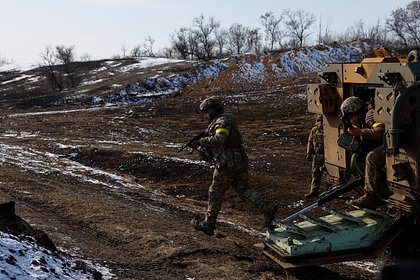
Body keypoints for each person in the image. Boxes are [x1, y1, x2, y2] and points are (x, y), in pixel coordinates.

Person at [189, 97, 278, 236]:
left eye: (205, 113)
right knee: (244, 190)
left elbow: (219, 139)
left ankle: (208, 224)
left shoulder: (222, 122)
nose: (204, 116)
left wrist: (200, 142)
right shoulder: (226, 118)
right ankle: (267, 207)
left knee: (215, 192)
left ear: (212, 111)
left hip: (227, 165)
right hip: (239, 162)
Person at [340, 96, 392, 209]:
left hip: (392, 142)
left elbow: (381, 132)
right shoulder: (362, 116)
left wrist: (361, 132)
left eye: (351, 116)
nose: (351, 120)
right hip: (387, 141)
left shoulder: (370, 115)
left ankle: (372, 196)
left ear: (356, 111)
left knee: (371, 158)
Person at [305, 114, 325, 199]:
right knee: (315, 173)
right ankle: (314, 191)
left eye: (321, 120)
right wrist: (309, 153)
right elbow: (310, 141)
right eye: (318, 121)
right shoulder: (314, 130)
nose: (320, 122)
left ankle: (331, 190)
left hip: (327, 156)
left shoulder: (328, 130)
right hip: (317, 155)